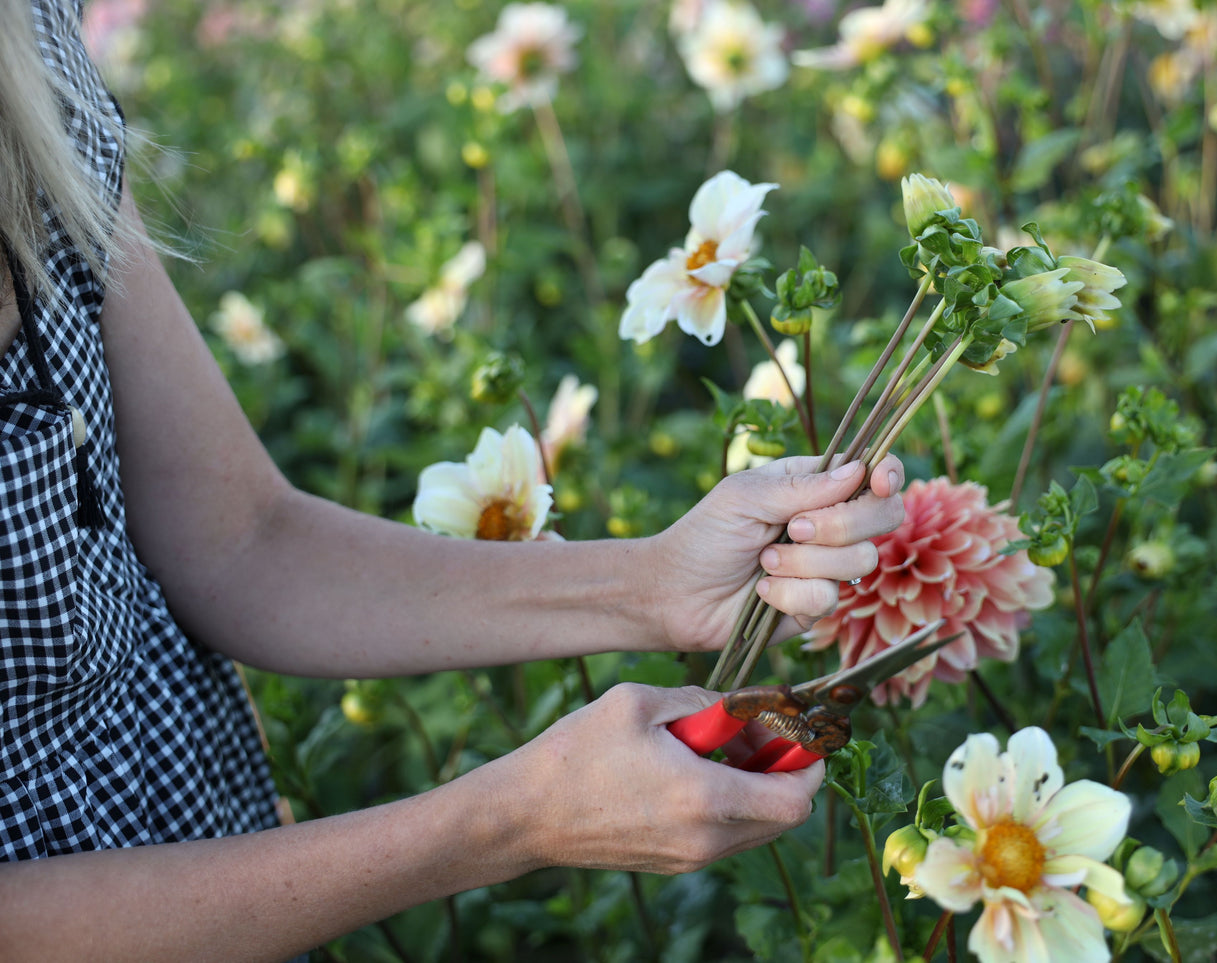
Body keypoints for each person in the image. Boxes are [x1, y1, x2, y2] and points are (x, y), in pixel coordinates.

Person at [0, 1, 906, 959]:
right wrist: (512, 819)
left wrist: (655, 583)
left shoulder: (33, 42)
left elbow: (240, 540)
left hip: (214, 828)